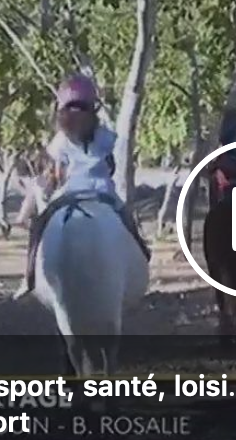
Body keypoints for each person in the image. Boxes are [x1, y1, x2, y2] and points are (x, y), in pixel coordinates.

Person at [14, 73, 150, 301]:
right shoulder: (107, 136)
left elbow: (56, 171)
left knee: (38, 227)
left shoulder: (61, 139)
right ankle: (143, 255)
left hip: (68, 194)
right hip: (103, 193)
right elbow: (111, 165)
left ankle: (28, 277)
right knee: (127, 219)